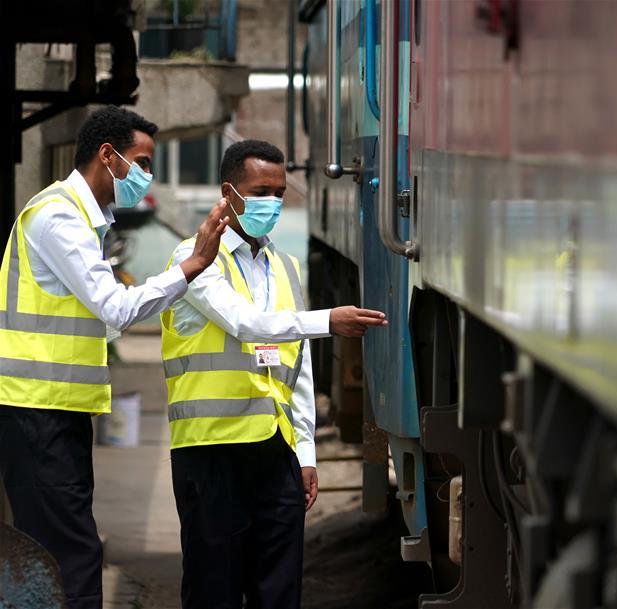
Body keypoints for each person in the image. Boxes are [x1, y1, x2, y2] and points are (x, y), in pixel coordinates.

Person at [0, 105, 229, 609]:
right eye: (141, 162)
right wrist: (191, 265)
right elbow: (116, 309)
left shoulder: (83, 219)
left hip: (56, 409)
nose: (147, 175)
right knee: (71, 554)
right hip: (36, 409)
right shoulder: (60, 217)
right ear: (108, 155)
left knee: (57, 548)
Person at [161, 139, 387, 609]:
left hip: (275, 451)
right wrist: (328, 320)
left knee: (280, 590)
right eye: (261, 191)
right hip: (212, 449)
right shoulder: (194, 258)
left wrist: (305, 452)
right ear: (229, 193)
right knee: (214, 590)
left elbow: (296, 365)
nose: (273, 203)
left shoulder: (284, 265)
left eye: (280, 193)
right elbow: (244, 323)